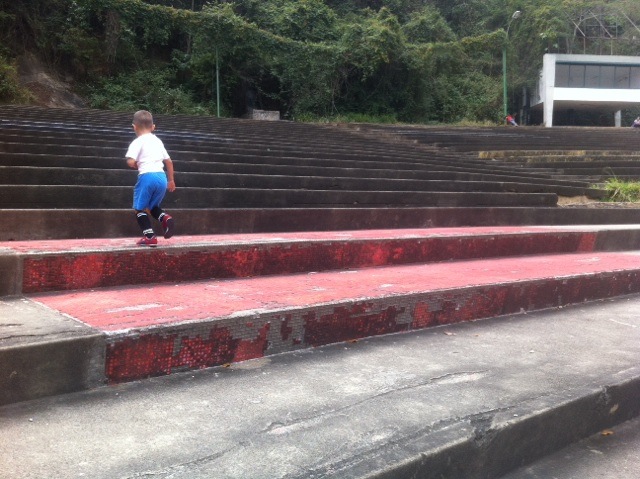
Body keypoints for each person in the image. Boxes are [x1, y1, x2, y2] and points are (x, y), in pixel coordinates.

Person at [125, 110, 176, 246]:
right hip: (161, 177)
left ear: (134, 127)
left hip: (147, 177)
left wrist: (134, 163)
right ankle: (166, 218)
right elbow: (169, 161)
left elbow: (130, 161)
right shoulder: (158, 141)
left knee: (139, 209)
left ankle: (150, 236)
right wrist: (171, 180)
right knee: (152, 207)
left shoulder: (137, 142)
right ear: (153, 127)